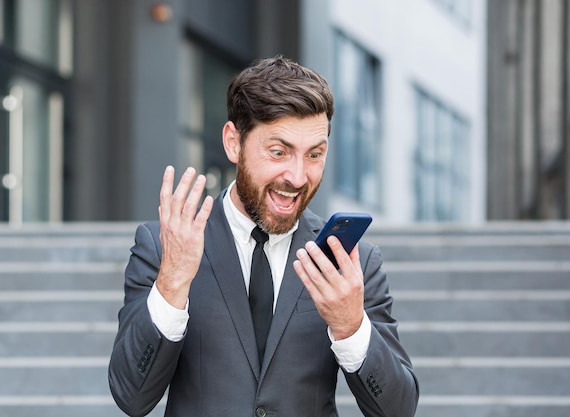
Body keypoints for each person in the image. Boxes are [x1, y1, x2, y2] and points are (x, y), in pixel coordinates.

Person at [108, 56, 419, 417]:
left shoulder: (352, 261)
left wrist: (351, 326)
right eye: (278, 152)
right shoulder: (164, 245)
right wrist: (173, 283)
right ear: (233, 143)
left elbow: (398, 410)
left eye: (315, 154)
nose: (298, 177)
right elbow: (131, 396)